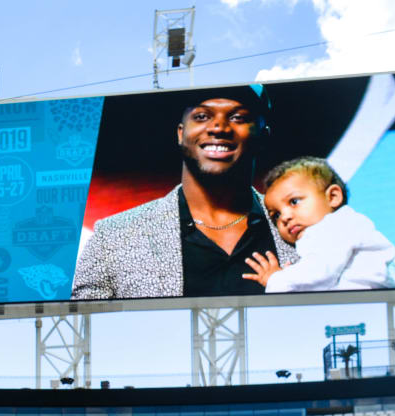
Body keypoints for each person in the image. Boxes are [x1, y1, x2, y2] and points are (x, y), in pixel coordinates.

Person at [72, 86, 298, 299]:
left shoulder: (307, 233)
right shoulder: (113, 236)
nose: (218, 127)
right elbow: (85, 323)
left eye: (237, 117)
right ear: (181, 134)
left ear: (263, 136)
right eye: (201, 117)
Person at [243, 156, 395, 292]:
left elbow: (318, 274)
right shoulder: (338, 229)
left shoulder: (337, 227)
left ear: (333, 196)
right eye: (275, 215)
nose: (284, 217)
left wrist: (275, 279)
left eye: (294, 201)